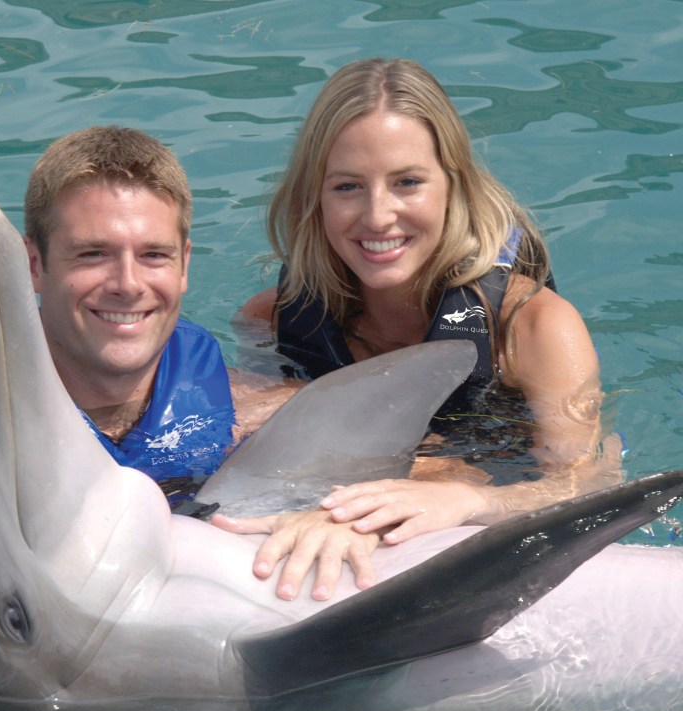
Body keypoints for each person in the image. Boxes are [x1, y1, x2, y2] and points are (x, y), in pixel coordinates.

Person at [211, 58, 622, 598]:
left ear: (455, 187)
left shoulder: (535, 328)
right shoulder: (273, 320)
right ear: (314, 197)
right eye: (347, 187)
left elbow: (588, 481)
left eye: (408, 182)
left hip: (485, 514)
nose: (378, 216)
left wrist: (465, 500)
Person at [24, 126, 298, 510]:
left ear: (184, 264)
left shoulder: (242, 408)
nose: (128, 284)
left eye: (153, 255)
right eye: (92, 254)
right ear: (35, 265)